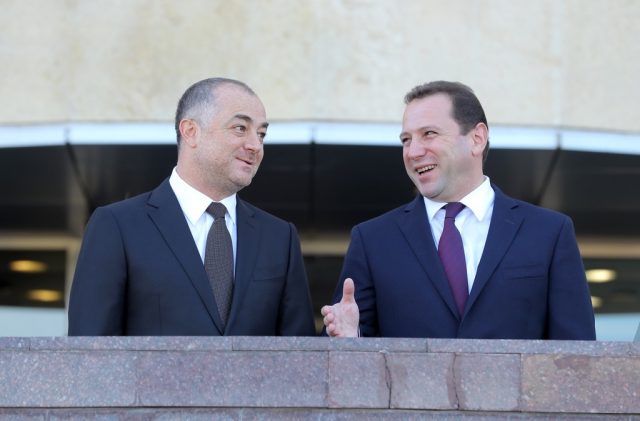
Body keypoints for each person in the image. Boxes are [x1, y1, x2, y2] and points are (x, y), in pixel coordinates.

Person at [322, 81, 596, 340]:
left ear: (477, 138)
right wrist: (350, 339)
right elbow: (341, 352)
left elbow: (576, 356)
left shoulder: (549, 233)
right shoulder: (373, 240)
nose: (413, 152)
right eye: (406, 139)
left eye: (429, 134)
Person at [68, 77, 315, 336]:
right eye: (240, 128)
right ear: (190, 131)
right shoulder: (117, 226)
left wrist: (338, 335)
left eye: (261, 134)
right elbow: (89, 349)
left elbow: (301, 351)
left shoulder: (280, 238)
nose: (255, 145)